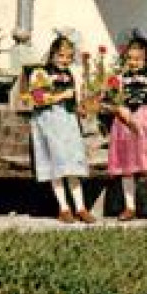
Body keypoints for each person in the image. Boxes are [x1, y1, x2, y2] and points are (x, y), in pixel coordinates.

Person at [26, 34, 94, 224]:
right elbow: (38, 99)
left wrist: (81, 108)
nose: (65, 60)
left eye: (69, 56)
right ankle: (64, 208)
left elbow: (75, 99)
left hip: (68, 121)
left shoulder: (72, 74)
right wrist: (62, 95)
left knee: (72, 164)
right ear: (53, 55)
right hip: (49, 121)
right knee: (55, 165)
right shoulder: (41, 73)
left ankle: (80, 207)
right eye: (61, 56)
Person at [106, 36, 147, 222]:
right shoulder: (118, 80)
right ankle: (129, 207)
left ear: (146, 59)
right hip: (124, 126)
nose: (133, 63)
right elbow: (111, 103)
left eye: (138, 59)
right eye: (130, 59)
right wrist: (119, 109)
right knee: (127, 168)